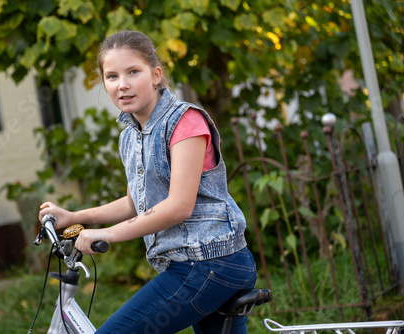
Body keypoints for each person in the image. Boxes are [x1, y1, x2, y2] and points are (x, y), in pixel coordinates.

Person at [39, 30, 257, 334]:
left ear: (156, 75)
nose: (122, 84)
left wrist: (108, 234)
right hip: (192, 267)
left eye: (133, 72)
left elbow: (178, 207)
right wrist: (76, 217)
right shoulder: (130, 135)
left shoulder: (185, 121)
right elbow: (134, 203)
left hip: (209, 262)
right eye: (112, 76)